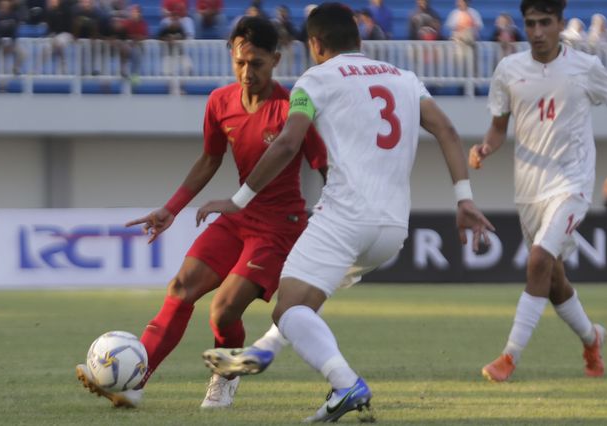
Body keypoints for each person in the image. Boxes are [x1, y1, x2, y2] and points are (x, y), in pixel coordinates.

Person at [198, 3, 493, 422]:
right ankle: (264, 350)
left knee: (288, 307)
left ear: (314, 44)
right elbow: (446, 129)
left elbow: (285, 144)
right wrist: (464, 198)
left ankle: (345, 383)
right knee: (303, 303)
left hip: (344, 217)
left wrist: (238, 199)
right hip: (392, 229)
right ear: (359, 40)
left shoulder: (314, 79)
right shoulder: (403, 78)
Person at [75, 15, 327, 409]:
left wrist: (337, 219)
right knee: (180, 289)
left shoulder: (293, 111)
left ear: (276, 60)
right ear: (232, 57)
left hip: (280, 227)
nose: (247, 72)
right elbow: (210, 160)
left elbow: (325, 166)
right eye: (240, 63)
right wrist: (171, 208)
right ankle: (132, 382)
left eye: (257, 64)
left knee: (223, 311)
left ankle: (226, 377)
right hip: (237, 218)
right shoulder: (219, 102)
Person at [469, 0, 607, 383]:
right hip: (529, 190)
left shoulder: (586, 68)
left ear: (561, 24)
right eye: (530, 23)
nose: (537, 31)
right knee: (553, 280)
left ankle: (509, 357)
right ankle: (591, 338)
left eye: (546, 22)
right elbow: (498, 126)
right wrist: (485, 148)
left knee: (538, 259)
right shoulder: (509, 70)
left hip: (572, 184)